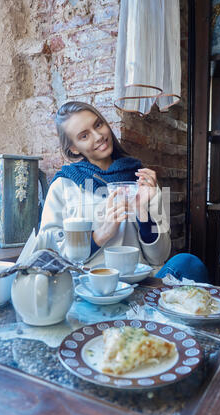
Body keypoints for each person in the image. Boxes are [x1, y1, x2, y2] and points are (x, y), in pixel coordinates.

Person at [40, 101, 209, 283]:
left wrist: (142, 213)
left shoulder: (142, 180)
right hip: (90, 286)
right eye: (84, 136)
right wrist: (101, 234)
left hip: (139, 282)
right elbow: (50, 253)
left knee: (189, 263)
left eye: (98, 124)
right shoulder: (64, 185)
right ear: (73, 148)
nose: (98, 136)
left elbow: (159, 256)